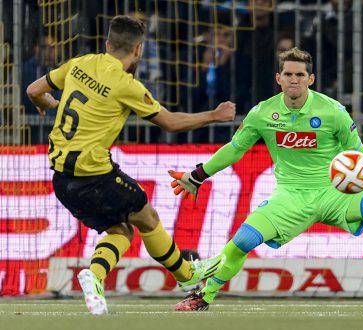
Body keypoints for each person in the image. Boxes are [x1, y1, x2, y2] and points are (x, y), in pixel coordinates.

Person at [169, 47, 363, 311]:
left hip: (333, 194)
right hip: (290, 196)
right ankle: (204, 297)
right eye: (289, 74)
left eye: (300, 75)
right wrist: (198, 176)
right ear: (278, 78)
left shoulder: (333, 111)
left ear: (310, 79)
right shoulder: (262, 114)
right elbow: (235, 149)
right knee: (243, 241)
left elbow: (359, 151)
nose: (294, 79)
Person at [26, 15, 235, 315]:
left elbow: (34, 90)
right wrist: (214, 115)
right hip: (95, 175)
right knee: (147, 216)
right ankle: (189, 275)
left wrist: (49, 105)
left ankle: (95, 275)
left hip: (61, 180)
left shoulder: (79, 63)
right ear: (138, 49)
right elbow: (170, 122)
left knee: (121, 230)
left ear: (108, 43)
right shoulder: (127, 85)